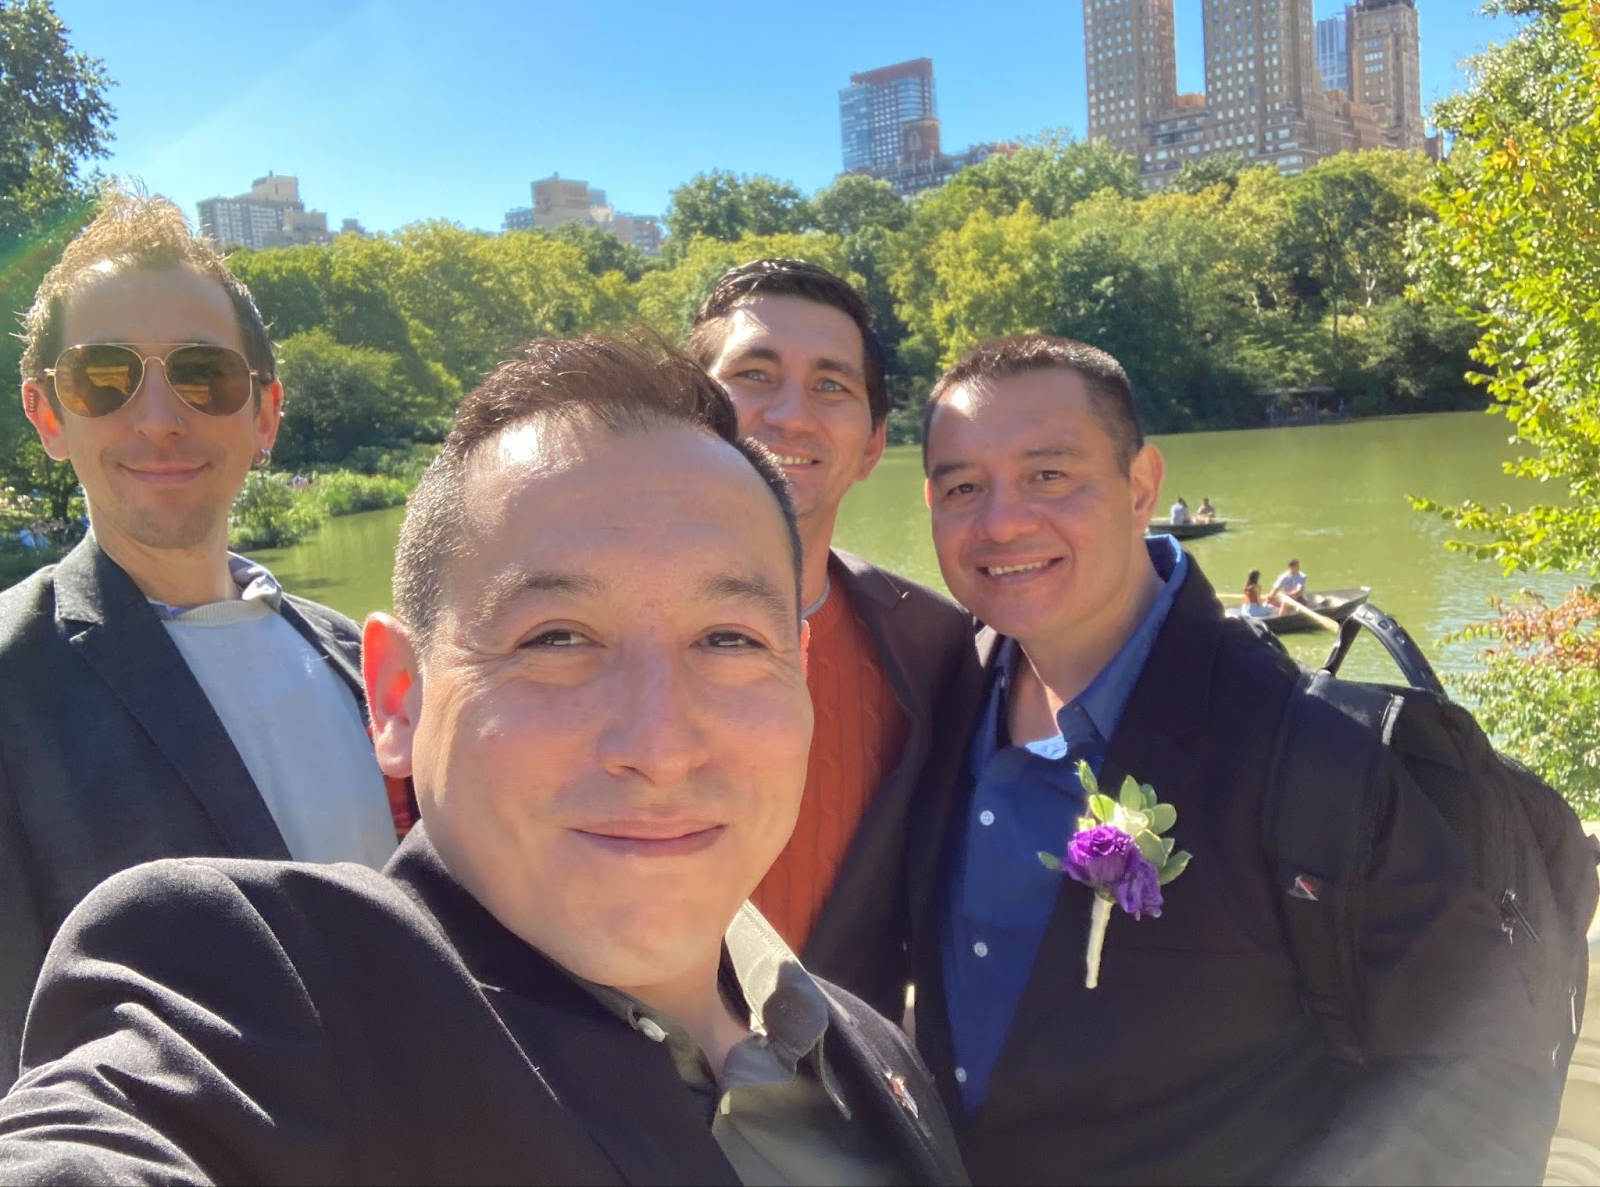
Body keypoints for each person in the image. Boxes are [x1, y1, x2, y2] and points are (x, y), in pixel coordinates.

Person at [0, 336, 967, 1187]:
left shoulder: (870, 1049)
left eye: (726, 640)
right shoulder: (273, 1001)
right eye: (555, 638)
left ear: (797, 677)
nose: (661, 744)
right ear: (398, 697)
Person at [911, 333, 1557, 1184]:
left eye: (1048, 474)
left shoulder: (1314, 760)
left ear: (1142, 486)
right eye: (964, 487)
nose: (1001, 521)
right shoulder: (933, 694)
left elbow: (1480, 1076)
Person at [0, 187, 405, 1090]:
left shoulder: (354, 658)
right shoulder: (10, 683)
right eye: (103, 376)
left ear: (263, 416)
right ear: (48, 415)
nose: (157, 418)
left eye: (204, 375)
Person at [687, 259, 980, 1018]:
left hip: (846, 1085)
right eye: (754, 373)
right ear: (686, 413)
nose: (791, 414)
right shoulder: (561, 636)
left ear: (874, 445)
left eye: (831, 385)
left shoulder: (933, 640)